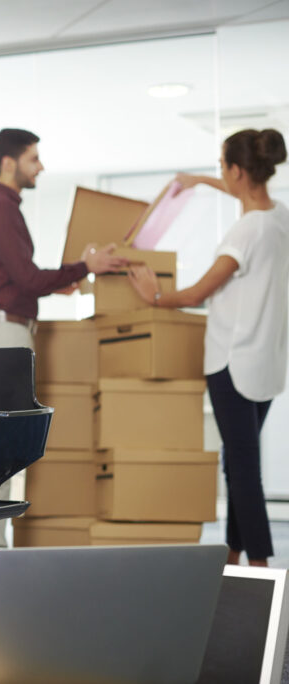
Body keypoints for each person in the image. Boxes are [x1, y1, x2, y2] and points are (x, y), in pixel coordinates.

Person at [0, 128, 127, 591]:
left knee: (0, 449)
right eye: (34, 159)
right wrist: (83, 267)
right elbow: (28, 277)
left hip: (4, 330)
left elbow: (23, 279)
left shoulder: (0, 209)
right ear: (10, 163)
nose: (41, 167)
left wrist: (62, 280)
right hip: (2, 334)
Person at [129, 128, 289, 568]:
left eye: (222, 167)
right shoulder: (280, 217)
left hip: (232, 364)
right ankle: (235, 552)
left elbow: (200, 292)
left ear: (239, 170)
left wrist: (155, 296)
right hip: (267, 366)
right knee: (239, 461)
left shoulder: (243, 233)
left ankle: (258, 563)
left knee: (241, 467)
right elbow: (246, 192)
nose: (221, 173)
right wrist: (202, 181)